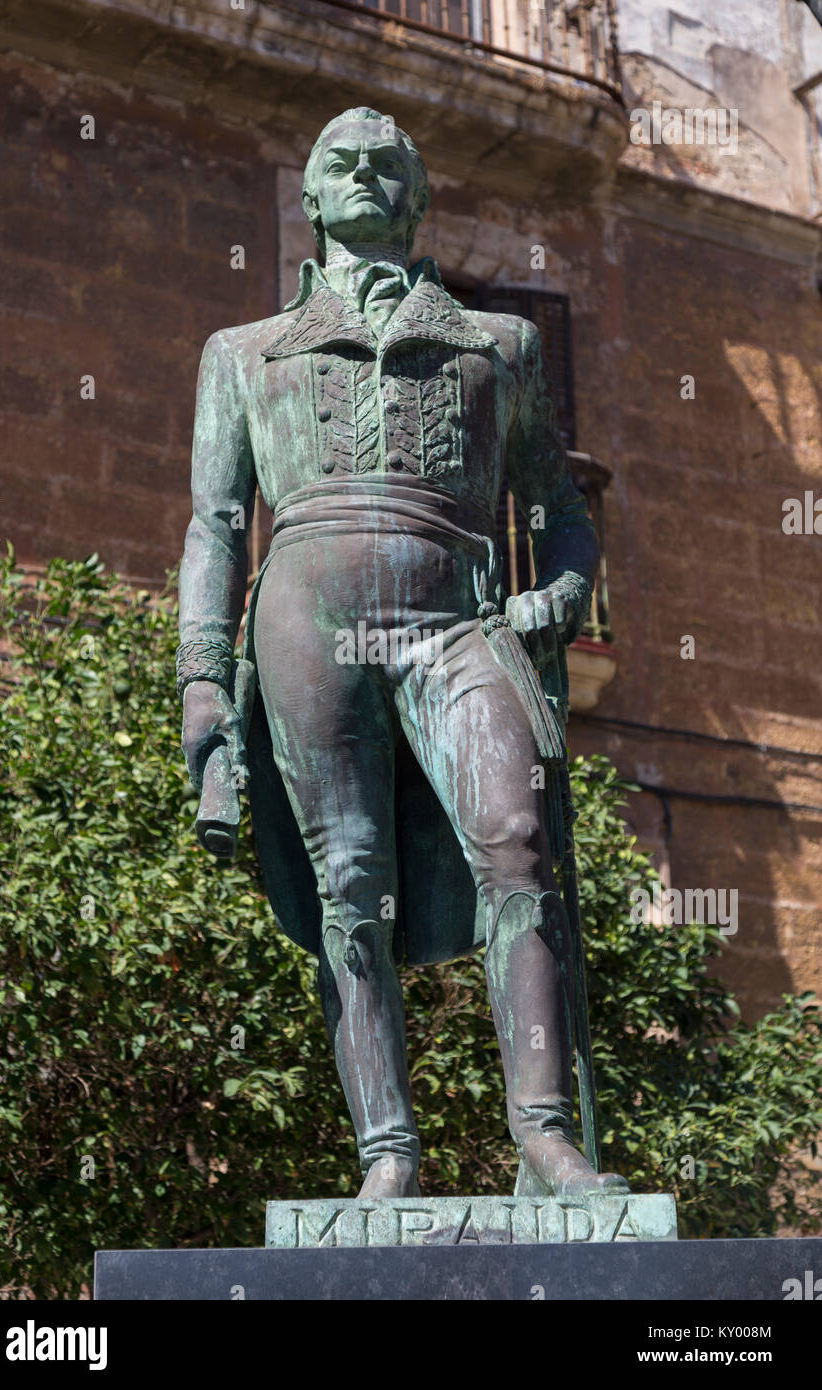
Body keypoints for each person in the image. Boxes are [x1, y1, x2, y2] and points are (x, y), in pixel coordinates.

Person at [177, 106, 628, 1201]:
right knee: (348, 884)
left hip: (458, 619)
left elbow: (558, 505)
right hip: (302, 622)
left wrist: (565, 585)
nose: (368, 174)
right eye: (344, 163)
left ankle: (545, 1139)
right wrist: (199, 676)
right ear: (314, 198)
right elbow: (215, 526)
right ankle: (387, 1155)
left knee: (513, 845)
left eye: (391, 165)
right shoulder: (240, 355)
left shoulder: (500, 345)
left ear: (417, 198)